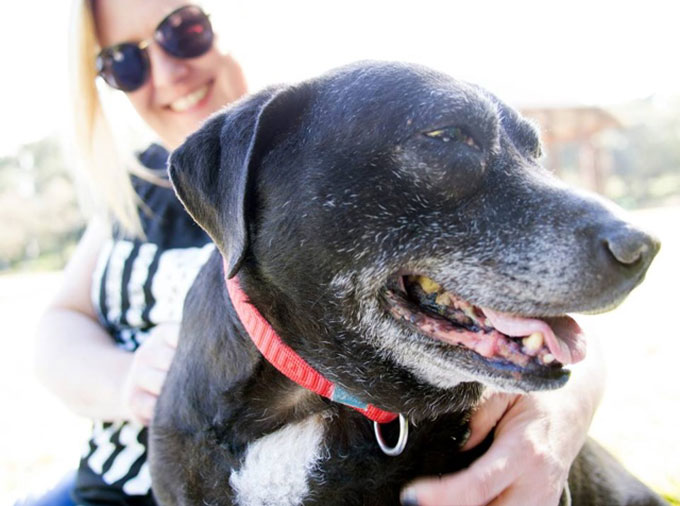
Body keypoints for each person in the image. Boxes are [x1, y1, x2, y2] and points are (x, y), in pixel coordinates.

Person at [31, 1, 605, 505]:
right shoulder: (134, 190)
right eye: (123, 63)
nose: (166, 70)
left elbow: (546, 322)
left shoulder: (342, 140)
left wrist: (557, 414)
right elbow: (59, 324)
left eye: (184, 30)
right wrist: (126, 379)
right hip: (117, 482)